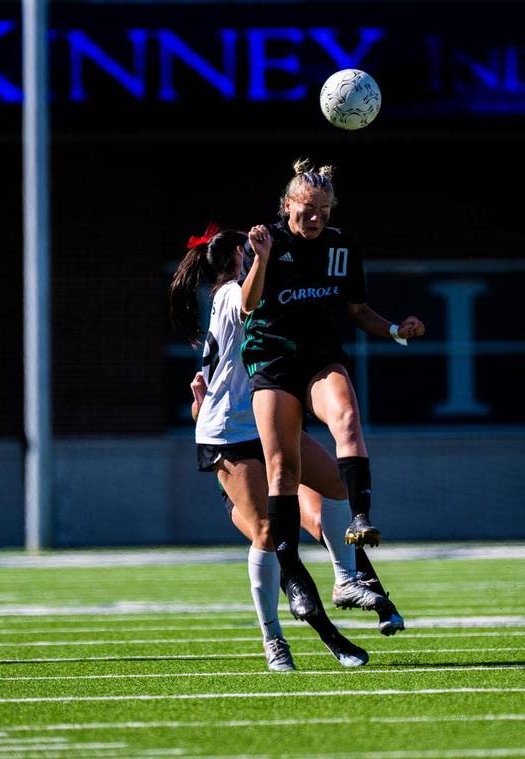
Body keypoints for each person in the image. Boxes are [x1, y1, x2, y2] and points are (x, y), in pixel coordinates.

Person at [169, 225, 400, 672]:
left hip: (262, 415)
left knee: (335, 483)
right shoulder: (231, 292)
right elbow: (248, 302)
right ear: (242, 254)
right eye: (254, 250)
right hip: (231, 432)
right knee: (268, 534)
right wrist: (263, 259)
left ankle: (346, 579)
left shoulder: (253, 289)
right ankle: (274, 639)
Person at [241, 160, 424, 628]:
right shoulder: (268, 242)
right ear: (287, 206)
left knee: (346, 420)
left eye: (323, 209)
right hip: (274, 366)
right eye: (308, 208)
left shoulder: (341, 246)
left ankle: (359, 523)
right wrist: (260, 257)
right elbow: (247, 305)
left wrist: (395, 331)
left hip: (320, 361)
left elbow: (358, 310)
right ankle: (294, 576)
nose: (316, 217)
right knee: (283, 472)